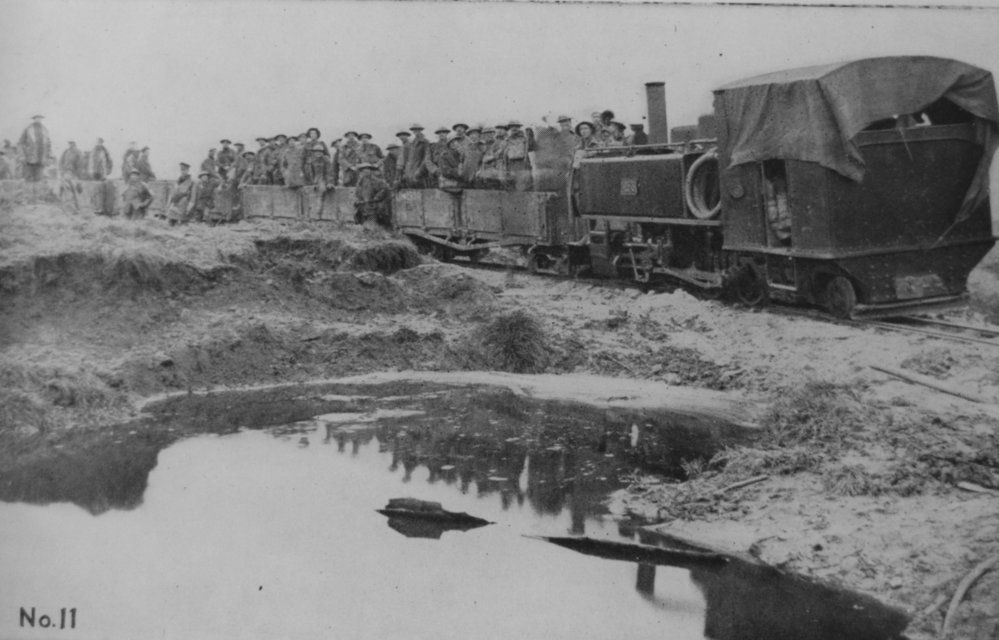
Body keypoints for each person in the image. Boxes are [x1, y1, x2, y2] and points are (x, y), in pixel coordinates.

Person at [353, 163, 392, 230]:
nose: (364, 172)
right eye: (362, 171)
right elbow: (357, 193)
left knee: (372, 223)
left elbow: (383, 189)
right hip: (363, 206)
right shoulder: (360, 182)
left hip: (372, 207)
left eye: (366, 170)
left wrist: (376, 198)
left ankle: (374, 230)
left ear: (370, 171)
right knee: (363, 221)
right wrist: (357, 200)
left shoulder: (375, 180)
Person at [17, 115, 51, 183]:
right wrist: (22, 155)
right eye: (37, 118)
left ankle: (37, 189)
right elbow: (21, 143)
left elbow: (48, 145)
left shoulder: (45, 130)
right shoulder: (28, 129)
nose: (38, 120)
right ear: (34, 119)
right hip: (29, 159)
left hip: (41, 160)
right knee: (28, 178)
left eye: (40, 118)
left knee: (39, 179)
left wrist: (48, 157)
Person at [504, 120, 533, 191]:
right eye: (512, 126)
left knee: (521, 185)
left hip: (521, 164)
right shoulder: (507, 139)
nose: (514, 128)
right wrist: (506, 166)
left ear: (519, 127)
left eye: (516, 126)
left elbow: (527, 151)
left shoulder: (524, 138)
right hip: (511, 164)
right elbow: (505, 154)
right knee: (511, 185)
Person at [403, 124, 429, 188]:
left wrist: (420, 170)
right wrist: (407, 171)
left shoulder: (425, 141)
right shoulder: (412, 143)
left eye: (417, 130)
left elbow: (426, 157)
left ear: (420, 130)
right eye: (414, 130)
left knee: (422, 188)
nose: (416, 131)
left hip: (421, 170)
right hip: (412, 170)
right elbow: (410, 159)